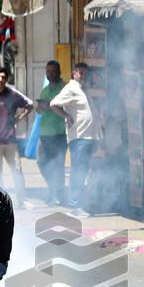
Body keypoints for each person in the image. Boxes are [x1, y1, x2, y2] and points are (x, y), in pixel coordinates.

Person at [50, 62, 102, 213]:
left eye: (86, 73)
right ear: (74, 73)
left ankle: (79, 204)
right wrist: (66, 116)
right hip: (79, 138)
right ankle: (74, 206)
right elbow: (54, 104)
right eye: (81, 73)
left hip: (88, 137)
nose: (84, 76)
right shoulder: (71, 88)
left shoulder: (83, 90)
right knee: (78, 172)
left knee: (83, 172)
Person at [0, 67, 34, 209]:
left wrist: (18, 118)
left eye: (3, 77)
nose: (1, 80)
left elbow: (30, 105)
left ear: (7, 79)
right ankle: (1, 203)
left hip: (10, 140)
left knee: (17, 170)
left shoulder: (13, 94)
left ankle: (22, 201)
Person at [35, 60, 68, 206]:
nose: (50, 74)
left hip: (59, 134)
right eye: (48, 72)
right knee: (42, 162)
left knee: (58, 165)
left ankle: (59, 195)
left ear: (59, 72)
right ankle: (53, 188)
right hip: (45, 133)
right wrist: (39, 108)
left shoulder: (65, 88)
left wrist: (49, 105)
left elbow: (66, 107)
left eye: (53, 71)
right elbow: (40, 109)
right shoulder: (45, 90)